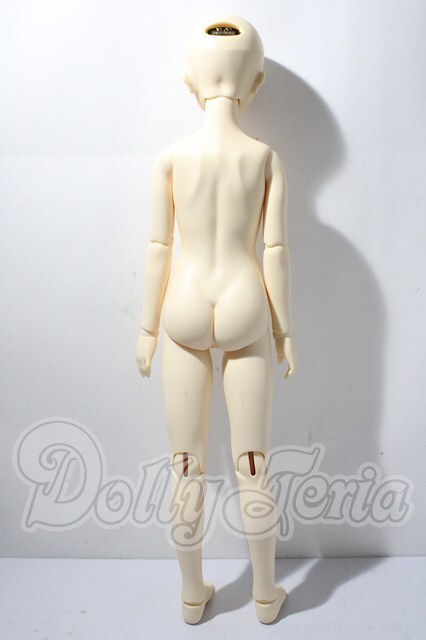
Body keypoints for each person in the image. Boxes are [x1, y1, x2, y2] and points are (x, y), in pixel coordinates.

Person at [136, 14, 296, 624]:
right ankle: (265, 595)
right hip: (244, 299)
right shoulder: (265, 158)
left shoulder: (171, 158)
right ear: (255, 84)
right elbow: (275, 251)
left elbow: (159, 249)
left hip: (183, 300)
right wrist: (284, 331)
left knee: (186, 464)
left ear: (189, 82)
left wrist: (147, 329)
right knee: (253, 462)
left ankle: (191, 595)